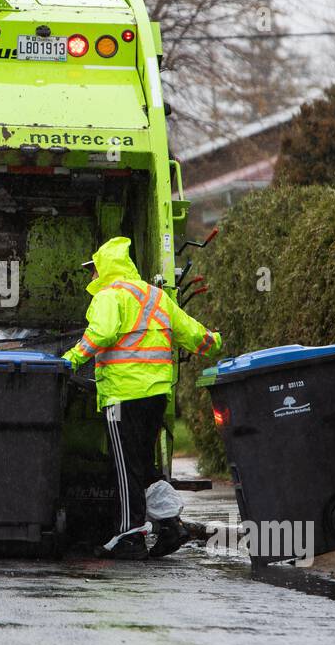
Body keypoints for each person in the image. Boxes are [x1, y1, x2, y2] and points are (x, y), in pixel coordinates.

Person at [63, 237, 223, 560]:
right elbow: (189, 330)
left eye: (94, 271)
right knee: (141, 465)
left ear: (106, 268)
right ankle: (170, 526)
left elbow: (102, 333)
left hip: (123, 394)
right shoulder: (155, 296)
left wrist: (71, 359)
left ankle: (129, 535)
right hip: (155, 397)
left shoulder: (110, 297)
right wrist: (213, 342)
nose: (92, 278)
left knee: (123, 467)